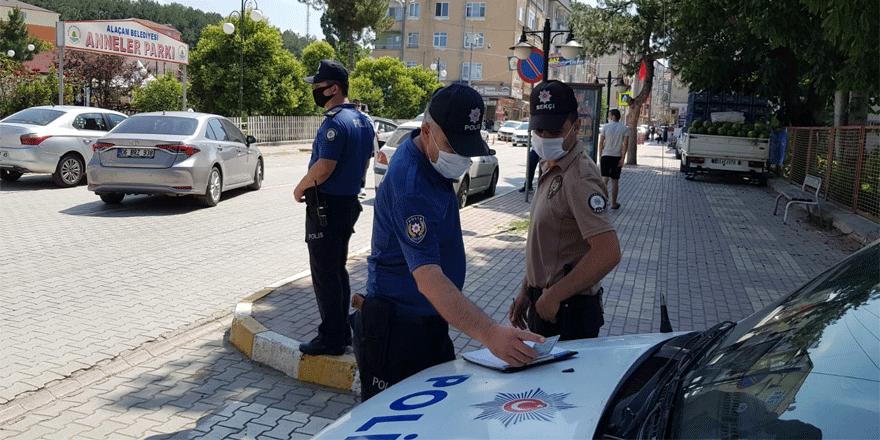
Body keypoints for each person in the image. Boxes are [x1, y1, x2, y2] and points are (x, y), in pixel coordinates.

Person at [350, 84, 544, 401]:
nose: (461, 157)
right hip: (397, 333)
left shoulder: (431, 164)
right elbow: (428, 279)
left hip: (428, 323)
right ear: (426, 131)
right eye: (453, 146)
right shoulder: (411, 183)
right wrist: (491, 333)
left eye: (466, 147)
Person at [509, 80, 622, 341]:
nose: (545, 138)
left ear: (576, 127)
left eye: (554, 131)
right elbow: (549, 245)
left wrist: (554, 295)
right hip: (548, 302)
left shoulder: (579, 177)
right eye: (539, 130)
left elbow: (608, 252)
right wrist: (527, 290)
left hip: (568, 311)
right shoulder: (551, 165)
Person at [294, 60, 375, 356]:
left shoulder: (334, 122)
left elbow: (324, 167)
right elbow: (365, 161)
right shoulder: (363, 120)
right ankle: (341, 332)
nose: (315, 91)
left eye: (318, 86)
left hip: (326, 206)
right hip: (349, 203)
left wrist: (301, 186)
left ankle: (330, 337)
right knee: (337, 270)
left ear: (334, 88)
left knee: (325, 273)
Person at [598, 109, 629, 210]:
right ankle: (614, 203)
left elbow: (601, 142)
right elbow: (625, 144)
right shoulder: (624, 128)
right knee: (615, 181)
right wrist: (623, 158)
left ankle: (602, 202)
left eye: (609, 115)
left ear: (612, 116)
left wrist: (600, 155)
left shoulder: (606, 127)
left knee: (604, 179)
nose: (608, 117)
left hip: (606, 155)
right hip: (617, 157)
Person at [353, 99, 376, 199]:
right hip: (354, 146)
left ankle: (361, 187)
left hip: (365, 146)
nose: (357, 107)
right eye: (356, 105)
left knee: (364, 167)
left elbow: (373, 130)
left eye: (359, 105)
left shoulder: (366, 117)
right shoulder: (350, 117)